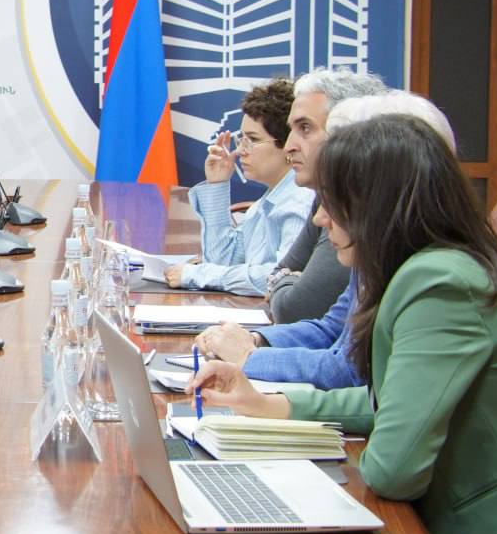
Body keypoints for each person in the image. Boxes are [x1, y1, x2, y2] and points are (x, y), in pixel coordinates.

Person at [189, 115, 497, 534]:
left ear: (379, 206)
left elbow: (393, 471)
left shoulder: (440, 283)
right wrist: (267, 405)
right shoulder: (416, 267)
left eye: (332, 202)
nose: (319, 218)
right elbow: (394, 398)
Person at [195, 91, 457, 390]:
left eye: (305, 128)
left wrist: (249, 357)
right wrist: (256, 341)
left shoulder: (436, 279)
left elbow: (339, 359)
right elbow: (332, 328)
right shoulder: (376, 251)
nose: (320, 218)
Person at [166, 78, 314, 295]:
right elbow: (223, 260)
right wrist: (217, 184)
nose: (241, 151)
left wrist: (198, 274)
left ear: (288, 145)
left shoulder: (300, 202)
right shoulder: (269, 199)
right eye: (241, 139)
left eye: (252, 140)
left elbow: (279, 278)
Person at [265, 68, 385, 323]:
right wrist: (288, 279)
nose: (289, 147)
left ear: (349, 132)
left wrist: (287, 280)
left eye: (305, 128)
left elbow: (296, 309)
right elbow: (280, 272)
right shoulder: (324, 196)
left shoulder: (362, 203)